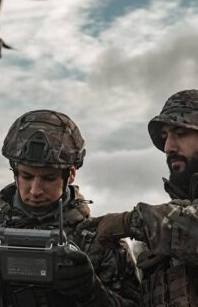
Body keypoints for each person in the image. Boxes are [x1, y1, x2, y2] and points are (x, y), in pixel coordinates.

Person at [0, 110, 140, 307]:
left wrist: (92, 293)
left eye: (48, 178)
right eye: (26, 176)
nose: (35, 190)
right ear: (14, 171)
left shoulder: (102, 243)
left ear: (70, 174)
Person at [81, 90, 198, 306]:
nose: (168, 147)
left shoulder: (158, 226)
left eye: (180, 133)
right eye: (165, 136)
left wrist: (130, 222)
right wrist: (89, 290)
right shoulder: (158, 238)